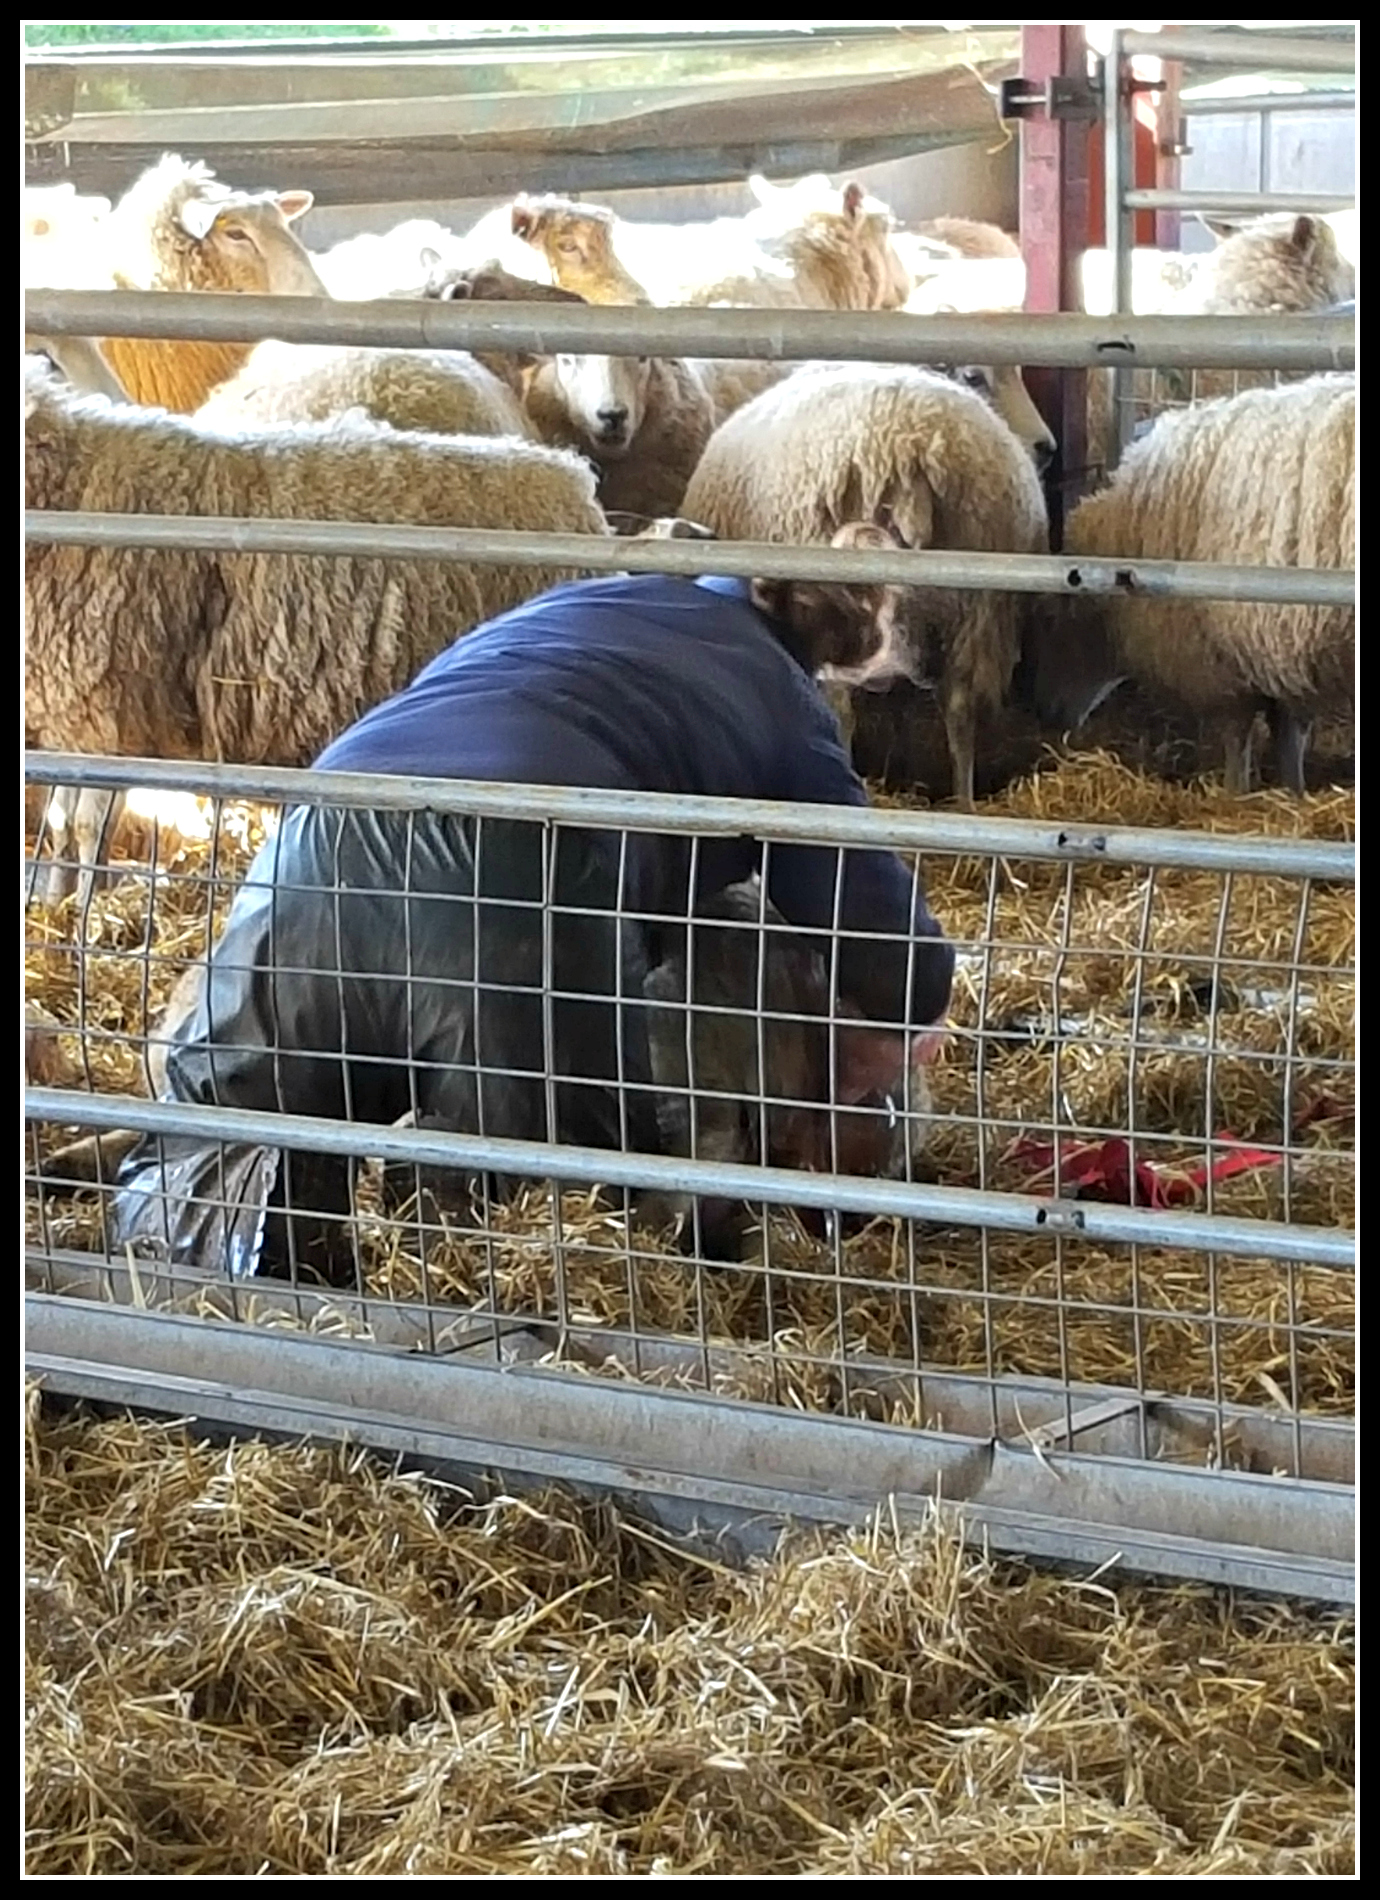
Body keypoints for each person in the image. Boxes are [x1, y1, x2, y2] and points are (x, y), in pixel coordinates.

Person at [115, 544, 956, 1285]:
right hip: (521, 869)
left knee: (219, 1134)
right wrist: (906, 1015)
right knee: (551, 1238)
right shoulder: (785, 699)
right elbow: (884, 945)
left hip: (323, 828)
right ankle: (482, 1421)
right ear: (834, 656)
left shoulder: (582, 603)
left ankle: (164, 1344)